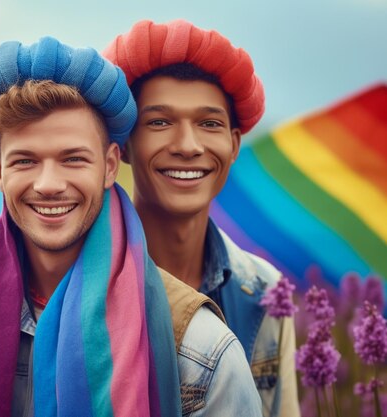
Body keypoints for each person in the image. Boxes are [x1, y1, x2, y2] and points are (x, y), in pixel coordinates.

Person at [0, 37, 260, 417]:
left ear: (110, 166)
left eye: (73, 159)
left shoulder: (201, 349)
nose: (48, 184)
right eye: (25, 161)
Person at [104, 19, 301, 417]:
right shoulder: (79, 282)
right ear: (123, 146)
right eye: (159, 122)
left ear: (233, 145)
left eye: (209, 123)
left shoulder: (264, 290)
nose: (188, 146)